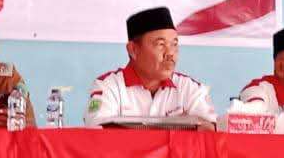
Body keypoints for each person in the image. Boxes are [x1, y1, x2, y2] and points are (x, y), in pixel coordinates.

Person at [84, 7, 216, 128]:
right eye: (161, 44)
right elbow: (98, 134)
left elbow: (210, 133)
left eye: (174, 44)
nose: (170, 53)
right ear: (133, 50)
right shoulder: (108, 87)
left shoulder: (190, 88)